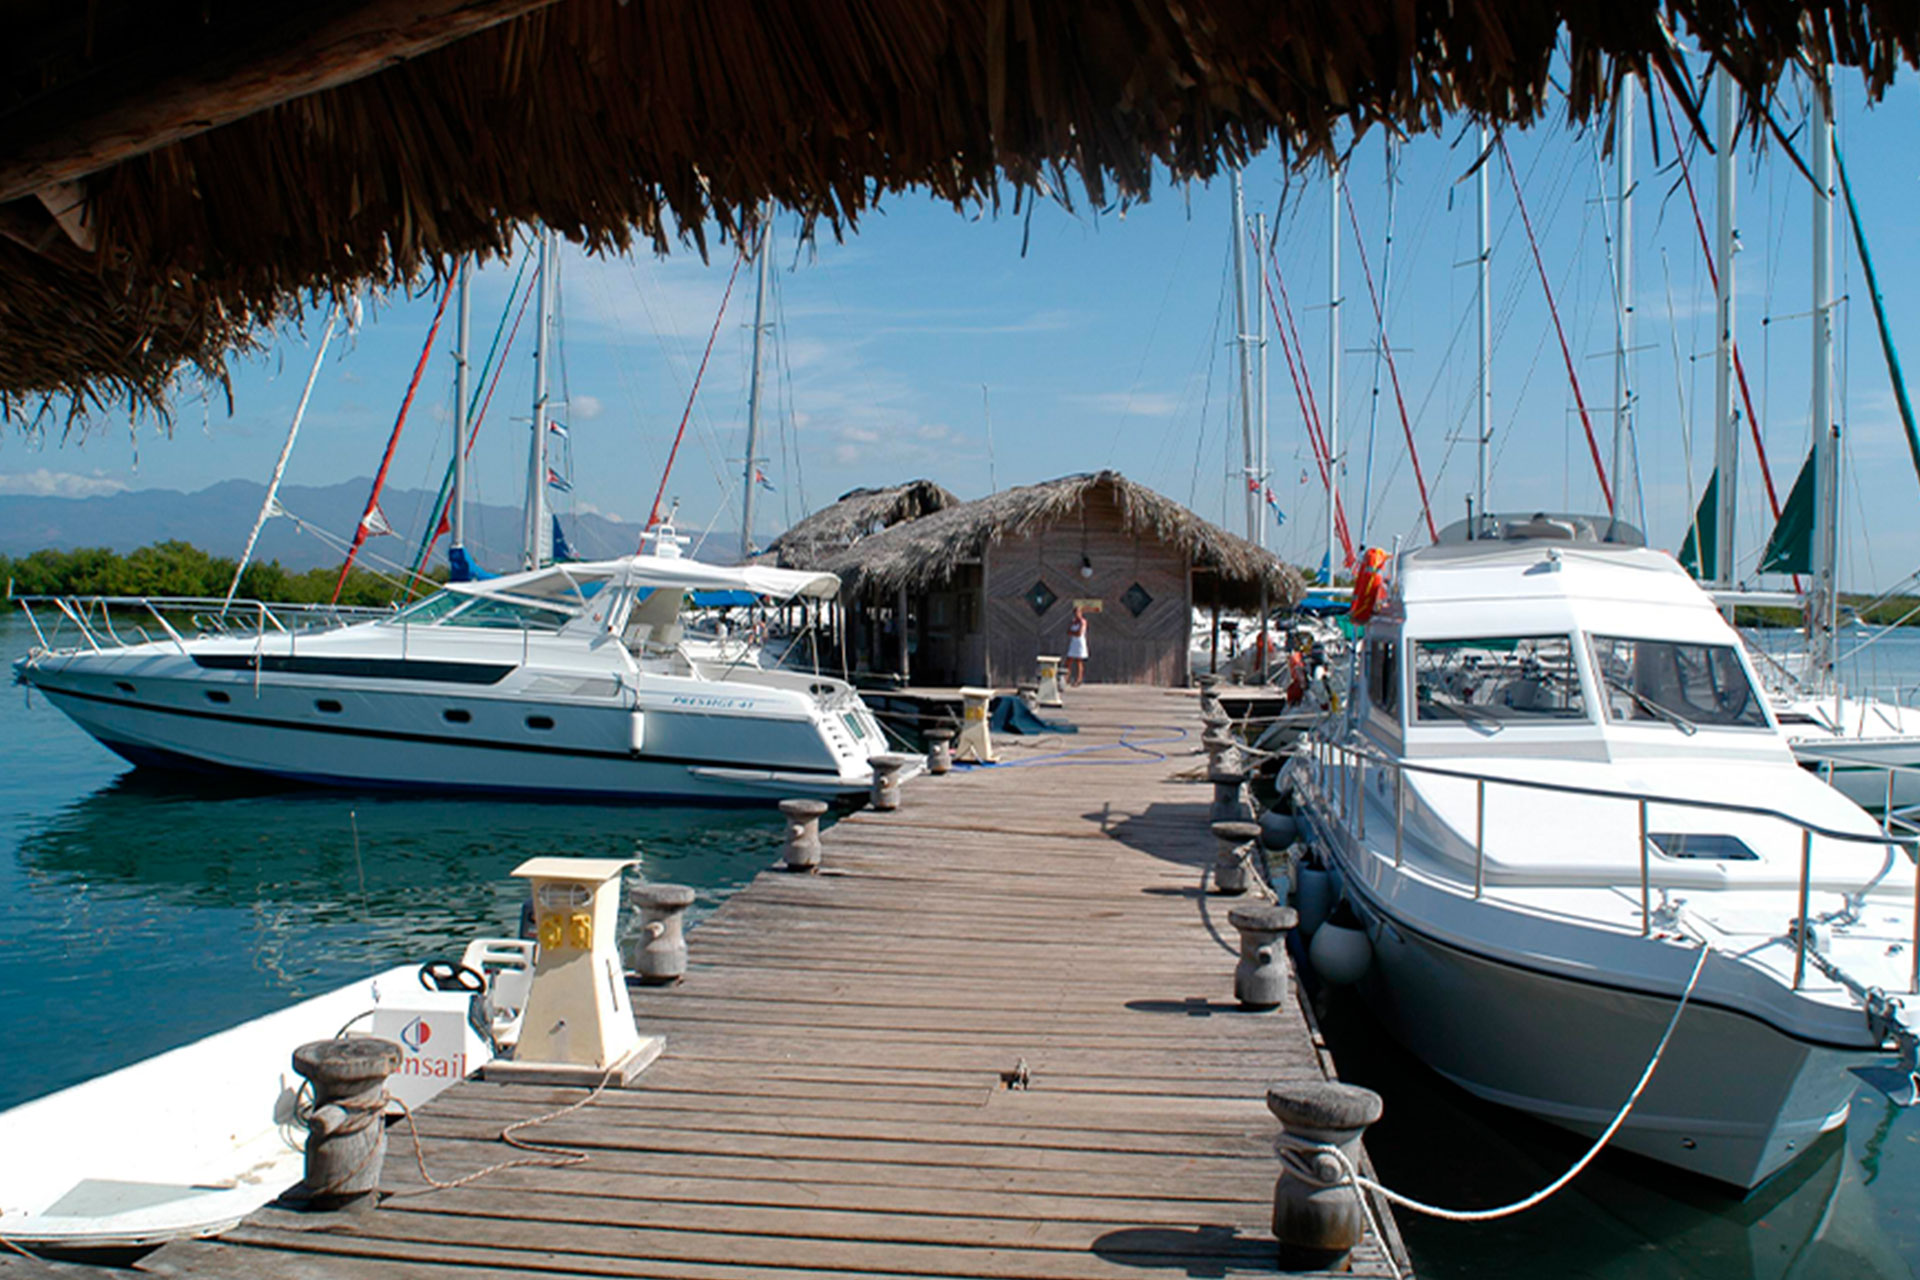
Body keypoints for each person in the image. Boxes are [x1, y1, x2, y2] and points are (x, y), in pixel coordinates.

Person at [1065, 605, 1089, 686]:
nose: (1076, 614)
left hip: (1079, 643)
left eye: (1078, 612)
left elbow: (1079, 633)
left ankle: (1079, 679)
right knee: (1068, 661)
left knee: (1079, 661)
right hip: (1073, 642)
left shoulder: (1083, 622)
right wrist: (1073, 633)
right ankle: (1066, 678)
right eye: (1075, 613)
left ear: (1081, 613)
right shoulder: (1073, 622)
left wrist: (1073, 633)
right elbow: (1068, 631)